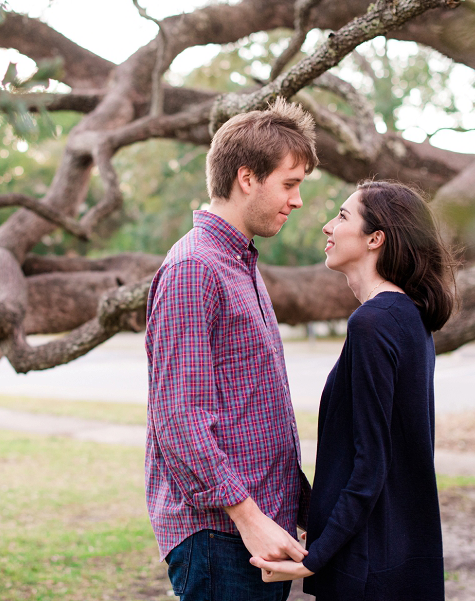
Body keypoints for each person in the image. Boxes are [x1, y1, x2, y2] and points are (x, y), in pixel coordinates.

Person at [144, 98, 318, 601]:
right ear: (248, 177)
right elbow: (179, 418)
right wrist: (250, 519)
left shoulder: (238, 262)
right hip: (223, 537)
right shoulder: (194, 269)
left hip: (256, 529)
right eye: (290, 183)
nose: (298, 200)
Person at [249, 180, 457, 600]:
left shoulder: (373, 323)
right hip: (401, 557)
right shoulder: (408, 318)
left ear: (375, 239)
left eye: (342, 216)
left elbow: (370, 465)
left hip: (369, 570)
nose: (328, 226)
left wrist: (312, 558)